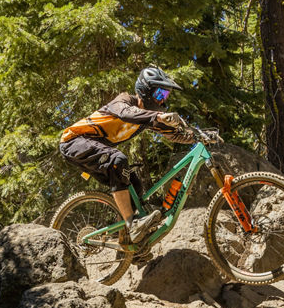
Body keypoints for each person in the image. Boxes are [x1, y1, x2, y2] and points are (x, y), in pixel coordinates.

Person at [59, 66, 194, 242]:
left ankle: (126, 243)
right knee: (118, 160)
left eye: (166, 96)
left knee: (134, 185)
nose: (163, 101)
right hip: (73, 141)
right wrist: (158, 117)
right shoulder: (124, 101)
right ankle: (133, 225)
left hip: (94, 147)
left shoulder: (149, 118)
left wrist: (197, 135)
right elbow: (126, 113)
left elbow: (174, 134)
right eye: (161, 94)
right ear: (146, 91)